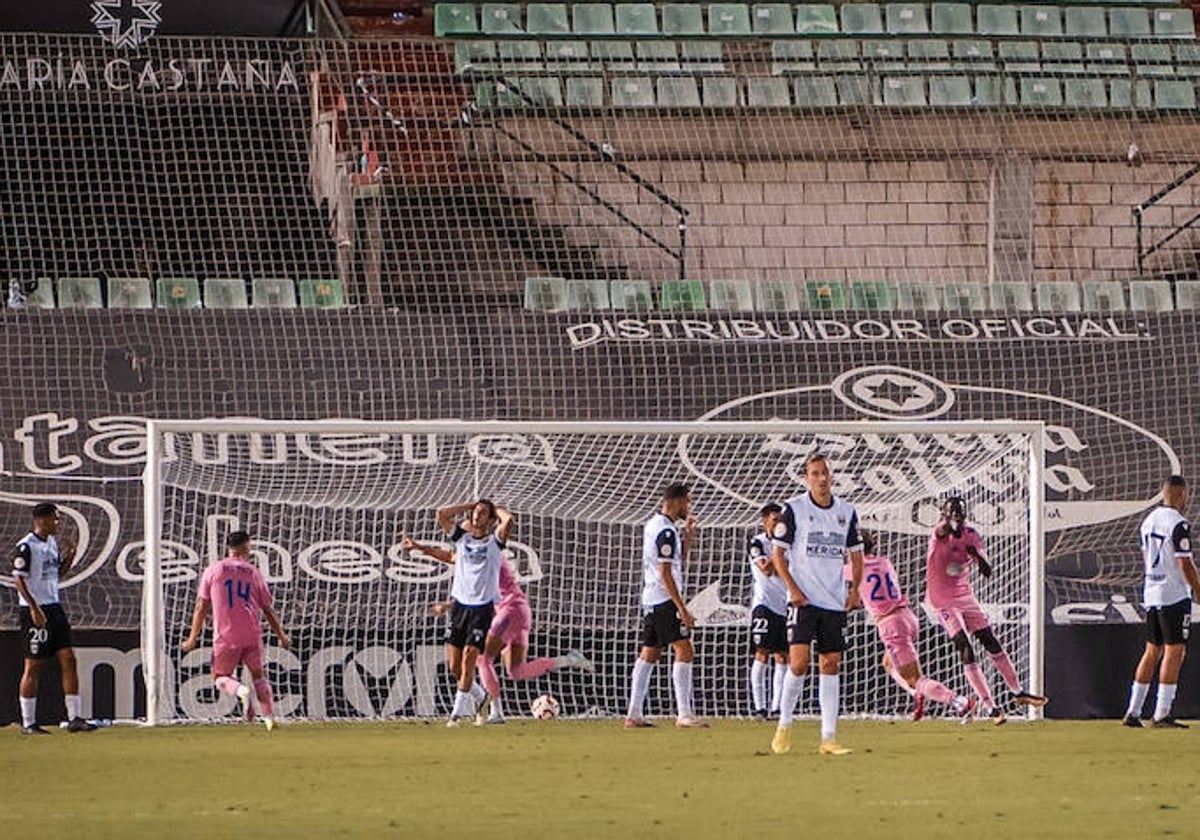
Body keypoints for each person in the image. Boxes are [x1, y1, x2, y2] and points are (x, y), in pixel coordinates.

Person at [406, 538, 594, 724]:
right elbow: (451, 557)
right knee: (516, 671)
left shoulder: (488, 560)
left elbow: (468, 579)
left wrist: (448, 606)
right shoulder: (483, 558)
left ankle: (495, 712)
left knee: (483, 659)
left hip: (509, 611)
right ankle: (568, 660)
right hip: (520, 612)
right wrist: (421, 548)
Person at [769, 453, 863, 756]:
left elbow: (856, 554)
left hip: (834, 601)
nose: (821, 478)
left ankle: (828, 737)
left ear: (831, 476)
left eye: (825, 473)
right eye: (815, 473)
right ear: (806, 477)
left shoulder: (847, 512)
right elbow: (778, 556)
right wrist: (793, 589)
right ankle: (784, 725)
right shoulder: (794, 509)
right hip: (804, 600)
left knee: (831, 664)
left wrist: (855, 590)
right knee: (798, 663)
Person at [925, 495, 1046, 726]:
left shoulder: (972, 536)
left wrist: (977, 555)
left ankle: (1018, 691)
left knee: (990, 641)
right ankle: (990, 707)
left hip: (964, 595)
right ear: (945, 515)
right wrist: (948, 527)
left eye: (959, 513)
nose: (956, 518)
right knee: (964, 645)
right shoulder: (939, 534)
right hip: (942, 599)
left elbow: (988, 571)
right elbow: (942, 532)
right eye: (952, 514)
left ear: (965, 515)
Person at [857, 530, 976, 722]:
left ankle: (960, 702)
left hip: (890, 623)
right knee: (888, 663)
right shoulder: (884, 562)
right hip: (908, 617)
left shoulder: (853, 568)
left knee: (916, 679)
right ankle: (917, 695)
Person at [181, 531, 290, 730]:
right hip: (252, 634)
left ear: (228, 548)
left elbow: (201, 607)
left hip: (225, 636)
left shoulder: (213, 571)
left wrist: (192, 638)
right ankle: (269, 718)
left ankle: (240, 690)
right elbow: (267, 609)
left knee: (220, 677)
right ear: (247, 546)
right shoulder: (253, 572)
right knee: (259, 676)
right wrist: (281, 635)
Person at [626, 482, 707, 729]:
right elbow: (666, 573)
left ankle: (634, 713)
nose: (688, 507)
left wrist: (689, 538)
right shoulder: (667, 531)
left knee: (649, 653)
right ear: (675, 501)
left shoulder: (655, 525)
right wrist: (681, 607)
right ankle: (684, 714)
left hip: (650, 598)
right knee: (684, 650)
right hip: (664, 599)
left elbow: (673, 562)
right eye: (687, 502)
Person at [11, 502, 97, 735]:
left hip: (54, 607)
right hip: (35, 610)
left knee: (69, 659)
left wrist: (71, 555)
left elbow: (56, 575)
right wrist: (34, 608)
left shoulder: (50, 543)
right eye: (54, 519)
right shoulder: (26, 546)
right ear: (41, 520)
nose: (58, 523)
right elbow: (18, 579)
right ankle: (28, 722)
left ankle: (75, 718)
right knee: (33, 665)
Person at [1122, 475, 1200, 728]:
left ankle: (1133, 711)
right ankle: (1162, 713)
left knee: (1152, 649)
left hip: (1152, 592)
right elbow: (1184, 563)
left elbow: (1147, 557)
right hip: (1173, 595)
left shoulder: (1149, 520)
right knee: (1175, 650)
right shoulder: (1178, 524)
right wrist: (1197, 590)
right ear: (1180, 494)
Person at [433, 499, 515, 726]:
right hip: (460, 606)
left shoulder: (494, 542)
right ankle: (482, 698)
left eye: (483, 514)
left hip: (482, 608)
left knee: (470, 658)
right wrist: (470, 505)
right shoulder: (462, 538)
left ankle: (455, 717)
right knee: (454, 668)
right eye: (476, 513)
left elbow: (508, 520)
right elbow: (441, 513)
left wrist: (493, 507)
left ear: (490, 520)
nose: (478, 516)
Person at [747, 503, 789, 720]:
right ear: (765, 521)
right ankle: (759, 708)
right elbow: (767, 568)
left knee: (783, 656)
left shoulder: (788, 544)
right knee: (762, 653)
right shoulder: (757, 543)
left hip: (785, 604)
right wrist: (778, 549)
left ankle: (777, 708)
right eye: (774, 520)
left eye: (780, 520)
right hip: (764, 605)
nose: (778, 524)